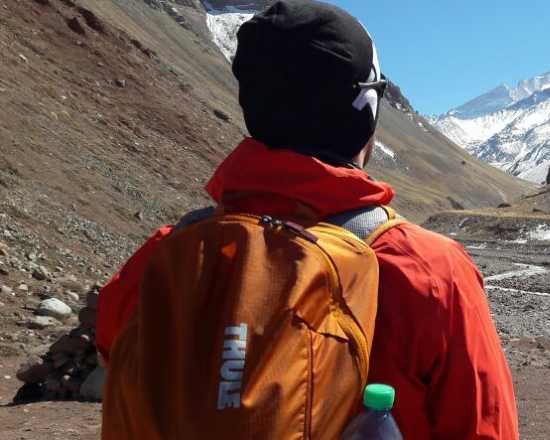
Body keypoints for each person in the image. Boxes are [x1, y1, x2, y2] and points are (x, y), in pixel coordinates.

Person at [94, 1, 519, 438]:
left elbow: (118, 355)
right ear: (365, 111)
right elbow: (486, 427)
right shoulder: (429, 271)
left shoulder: (163, 257)